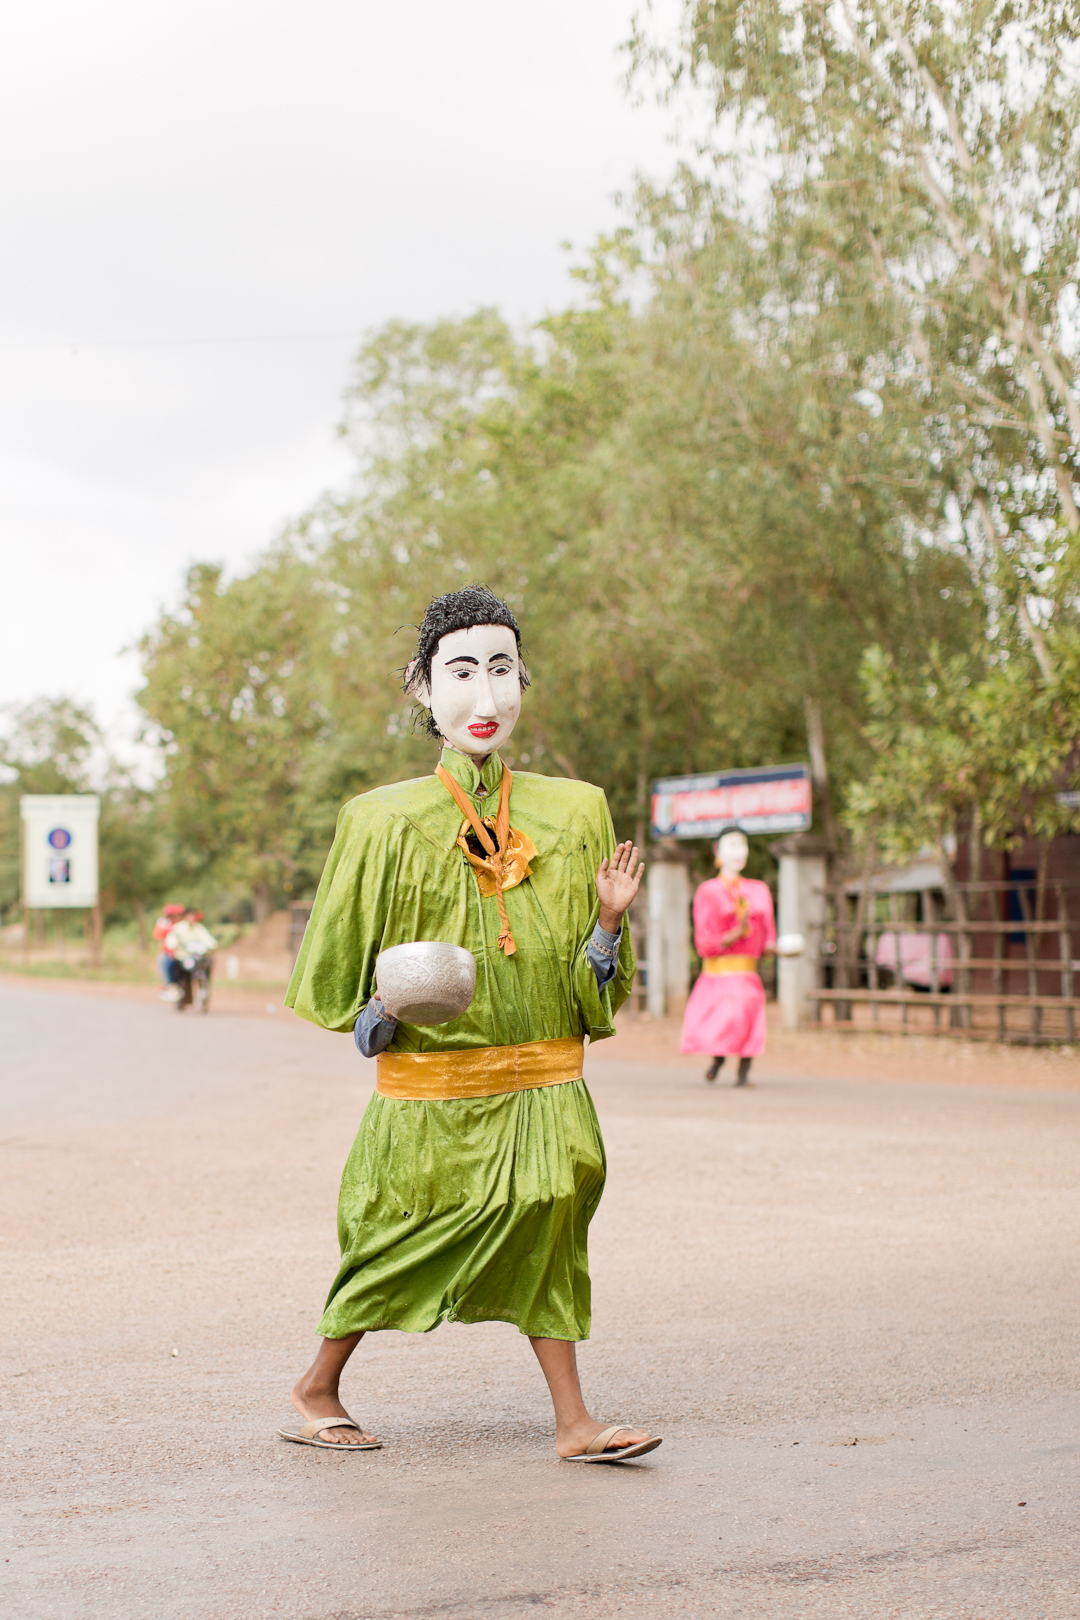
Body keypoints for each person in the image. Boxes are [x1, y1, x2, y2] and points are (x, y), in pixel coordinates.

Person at [282, 584, 661, 1463]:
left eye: (502, 670)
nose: (484, 697)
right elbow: (353, 1013)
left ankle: (574, 1423)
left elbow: (591, 988)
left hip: (545, 1084)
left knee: (550, 1223)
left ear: (524, 680)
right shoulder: (378, 823)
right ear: (421, 687)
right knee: (393, 1234)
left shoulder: (576, 813)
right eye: (461, 671)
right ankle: (316, 1385)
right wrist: (390, 1006)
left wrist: (607, 923)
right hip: (429, 1095)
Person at [680, 830, 776, 1087]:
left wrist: (775, 948)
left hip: (747, 972)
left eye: (743, 845)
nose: (739, 851)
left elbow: (768, 937)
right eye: (732, 845)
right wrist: (736, 932)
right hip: (718, 973)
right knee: (725, 1022)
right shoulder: (708, 891)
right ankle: (718, 1060)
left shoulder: (759, 890)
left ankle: (743, 1074)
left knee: (749, 1022)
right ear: (717, 850)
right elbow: (704, 943)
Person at [152, 904, 186, 1001]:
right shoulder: (164, 924)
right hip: (170, 952)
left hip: (185, 952)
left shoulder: (183, 925)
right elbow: (160, 938)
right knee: (163, 960)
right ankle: (168, 985)